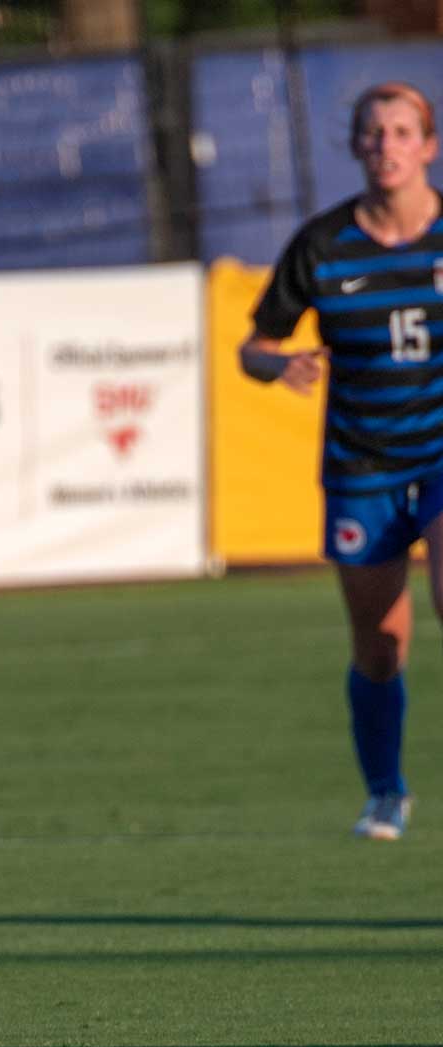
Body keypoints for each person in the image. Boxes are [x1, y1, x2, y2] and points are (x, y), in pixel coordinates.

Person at [240, 81, 442, 841]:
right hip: (362, 465)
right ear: (356, 146)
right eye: (374, 132)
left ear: (428, 146)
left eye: (402, 131)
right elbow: (254, 346)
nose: (388, 145)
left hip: (440, 452)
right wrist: (278, 365)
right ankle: (386, 792)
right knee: (380, 646)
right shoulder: (324, 245)